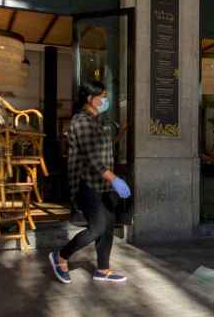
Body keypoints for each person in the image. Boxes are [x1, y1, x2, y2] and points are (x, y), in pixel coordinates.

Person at [49, 80, 131, 284]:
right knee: (97, 228)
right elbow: (92, 157)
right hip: (87, 183)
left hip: (102, 184)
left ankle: (103, 269)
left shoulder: (96, 121)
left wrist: (122, 133)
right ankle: (60, 256)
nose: (106, 100)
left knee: (109, 225)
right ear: (90, 99)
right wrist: (115, 179)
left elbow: (104, 147)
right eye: (102, 96)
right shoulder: (82, 121)